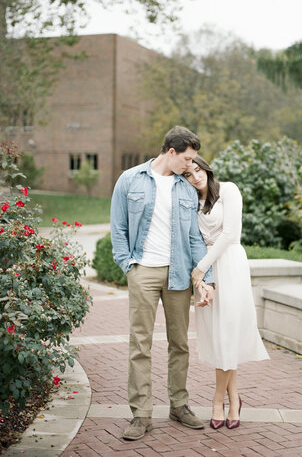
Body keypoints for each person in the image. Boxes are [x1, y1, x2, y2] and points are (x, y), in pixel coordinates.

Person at [110, 126, 214, 441]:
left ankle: (179, 405)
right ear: (171, 151)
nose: (191, 165)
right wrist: (128, 265)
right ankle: (141, 415)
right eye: (187, 158)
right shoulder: (130, 180)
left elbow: (195, 238)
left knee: (180, 343)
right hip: (143, 270)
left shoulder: (186, 188)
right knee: (139, 344)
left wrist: (204, 278)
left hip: (180, 273)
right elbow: (119, 226)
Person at [184, 156, 269, 429]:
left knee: (228, 331)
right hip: (207, 272)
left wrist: (200, 267)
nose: (196, 177)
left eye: (198, 170)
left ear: (206, 168)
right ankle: (234, 396)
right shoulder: (191, 203)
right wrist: (201, 277)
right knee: (219, 335)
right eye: (188, 174)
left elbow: (230, 234)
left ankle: (217, 398)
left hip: (230, 265)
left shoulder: (229, 190)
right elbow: (194, 240)